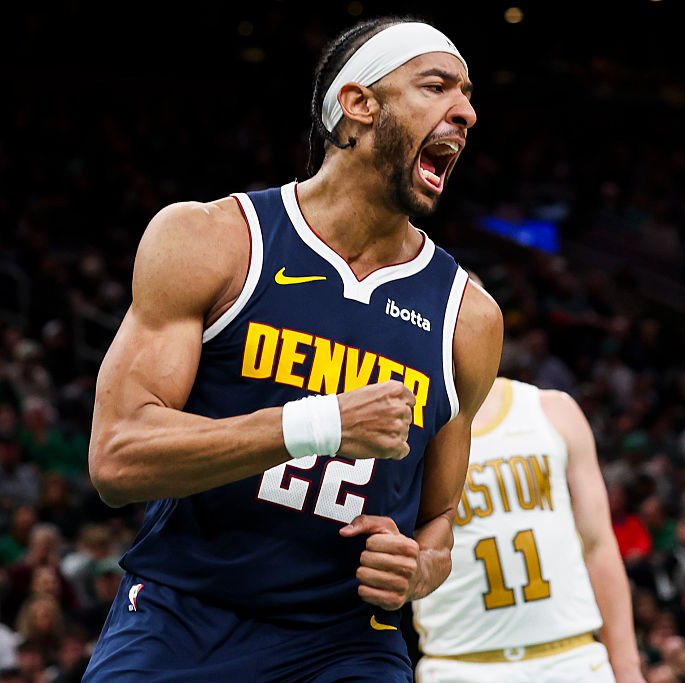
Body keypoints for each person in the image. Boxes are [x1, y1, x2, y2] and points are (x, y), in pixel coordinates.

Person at [83, 15, 503, 682]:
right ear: (359, 106)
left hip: (347, 644)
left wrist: (417, 569)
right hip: (184, 617)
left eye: (470, 94)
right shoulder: (213, 240)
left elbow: (439, 519)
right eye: (437, 87)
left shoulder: (468, 316)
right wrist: (322, 424)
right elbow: (117, 456)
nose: (468, 112)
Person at [412, 377, 644, 682]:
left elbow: (598, 545)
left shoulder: (553, 410)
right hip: (460, 663)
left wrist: (627, 668)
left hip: (572, 657)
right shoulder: (408, 422)